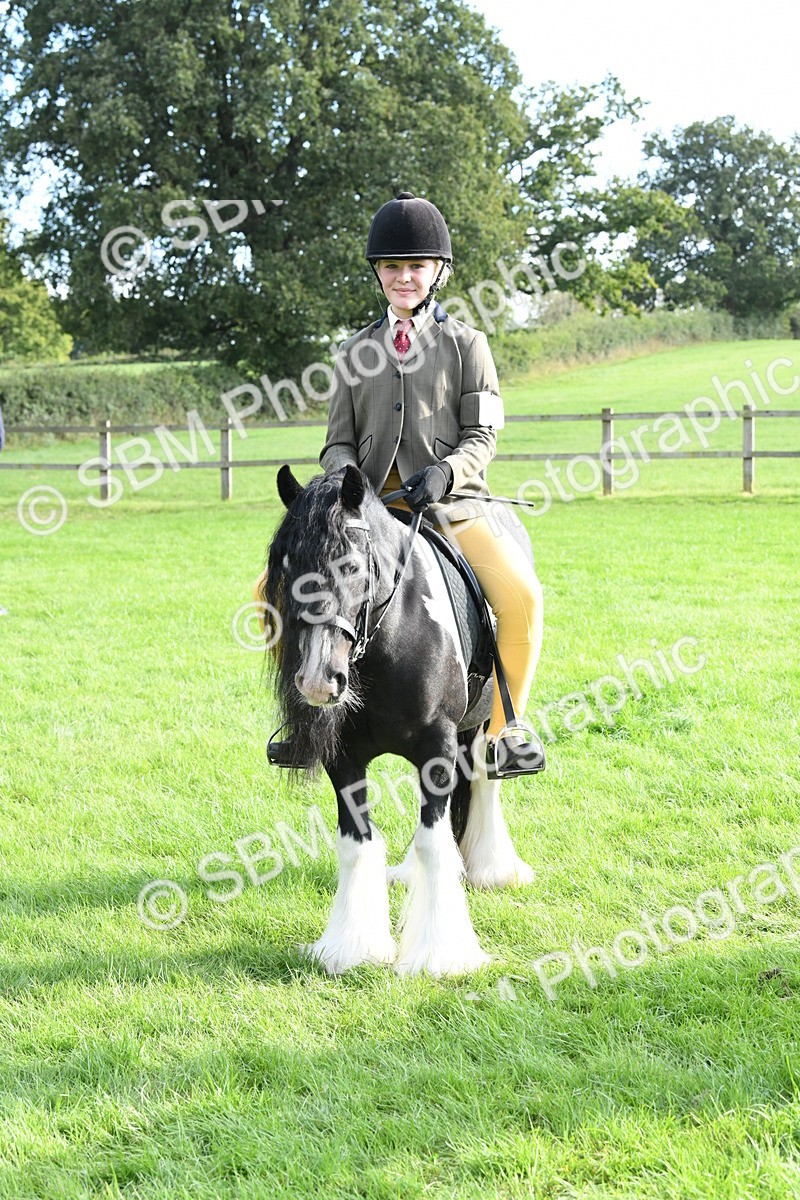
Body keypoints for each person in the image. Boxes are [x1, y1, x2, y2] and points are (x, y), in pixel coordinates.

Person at [270, 191, 544, 778]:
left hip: (452, 507)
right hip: (367, 515)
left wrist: (446, 473)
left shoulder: (468, 345)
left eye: (415, 266)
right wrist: (348, 481)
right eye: (392, 267)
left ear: (437, 272)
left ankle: (504, 731)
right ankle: (302, 722)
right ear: (378, 273)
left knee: (522, 598)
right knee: (268, 589)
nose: (403, 277)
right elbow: (336, 441)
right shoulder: (353, 352)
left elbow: (484, 435)